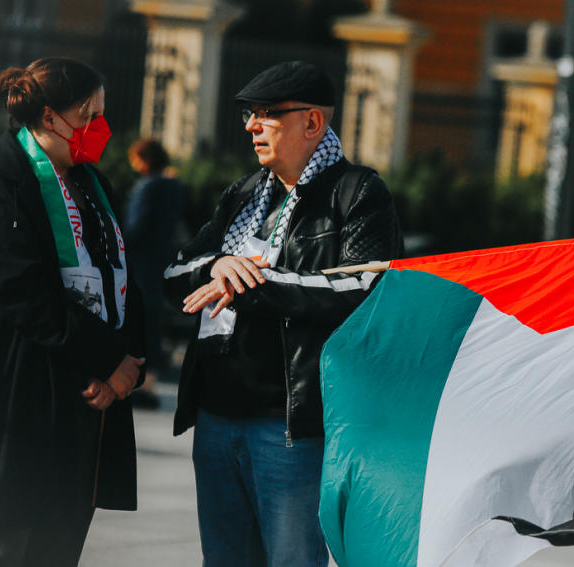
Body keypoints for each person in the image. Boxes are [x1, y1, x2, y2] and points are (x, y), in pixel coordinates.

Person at [163, 60, 402, 566]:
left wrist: (253, 285)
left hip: (290, 429)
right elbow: (175, 273)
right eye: (250, 114)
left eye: (267, 114)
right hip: (216, 418)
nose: (251, 125)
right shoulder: (246, 193)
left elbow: (363, 289)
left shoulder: (355, 192)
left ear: (312, 122)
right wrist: (222, 266)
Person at [0, 57, 145, 566]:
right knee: (9, 548)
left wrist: (128, 369)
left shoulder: (92, 183)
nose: (101, 128)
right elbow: (21, 292)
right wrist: (106, 358)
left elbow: (123, 277)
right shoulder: (0, 179)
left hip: (87, 403)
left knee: (57, 548)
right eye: (89, 115)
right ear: (50, 118)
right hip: (24, 399)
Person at [125, 138, 185, 409]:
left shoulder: (147, 187)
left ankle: (140, 384)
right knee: (153, 322)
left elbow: (136, 227)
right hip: (161, 261)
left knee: (138, 320)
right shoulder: (173, 187)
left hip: (140, 263)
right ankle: (149, 382)